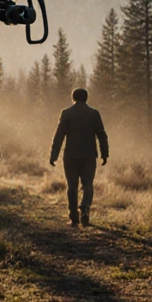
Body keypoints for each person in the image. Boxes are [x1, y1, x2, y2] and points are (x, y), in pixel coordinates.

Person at [49, 87, 109, 227]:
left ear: (73, 98)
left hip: (71, 156)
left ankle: (73, 217)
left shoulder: (67, 113)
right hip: (89, 156)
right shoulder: (94, 114)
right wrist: (104, 153)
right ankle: (85, 208)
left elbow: (59, 136)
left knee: (72, 186)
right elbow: (101, 134)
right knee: (88, 185)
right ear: (86, 98)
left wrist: (54, 155)